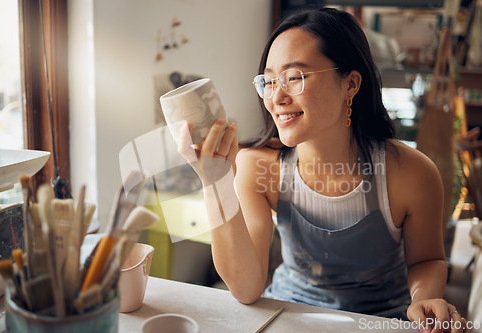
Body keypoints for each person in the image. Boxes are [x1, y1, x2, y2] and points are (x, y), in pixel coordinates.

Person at [177, 7, 466, 332]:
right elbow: (246, 288)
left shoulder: (411, 173)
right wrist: (215, 183)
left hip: (380, 321)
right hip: (290, 317)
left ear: (351, 84)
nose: (276, 97)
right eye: (269, 81)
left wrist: (423, 299)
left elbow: (427, 261)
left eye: (294, 77)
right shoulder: (259, 165)